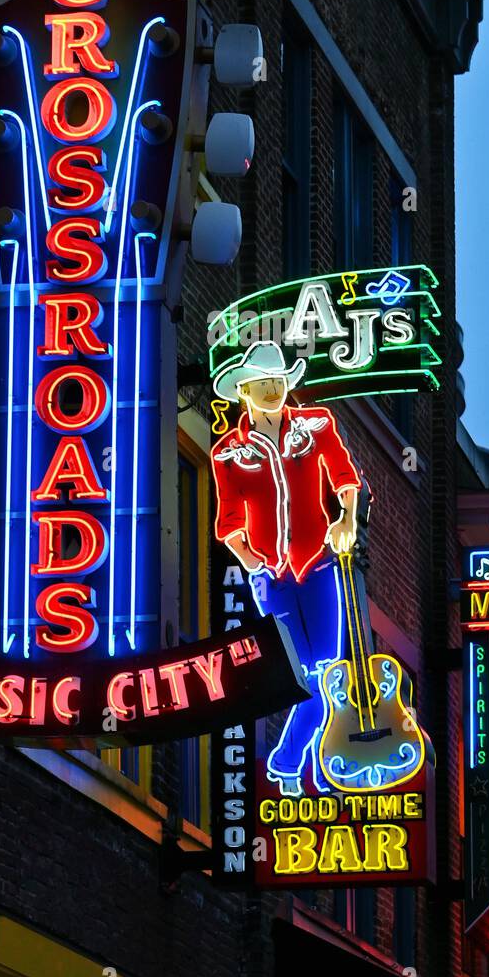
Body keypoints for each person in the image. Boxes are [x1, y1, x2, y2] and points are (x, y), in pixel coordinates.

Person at [211, 340, 362, 796]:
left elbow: (345, 478)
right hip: (273, 580)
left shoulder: (315, 426)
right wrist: (255, 564)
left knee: (327, 676)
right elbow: (230, 525)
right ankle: (300, 765)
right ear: (245, 392)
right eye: (262, 384)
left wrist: (347, 520)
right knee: (305, 677)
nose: (272, 390)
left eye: (277, 382)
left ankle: (294, 764)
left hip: (319, 568)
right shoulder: (227, 454)